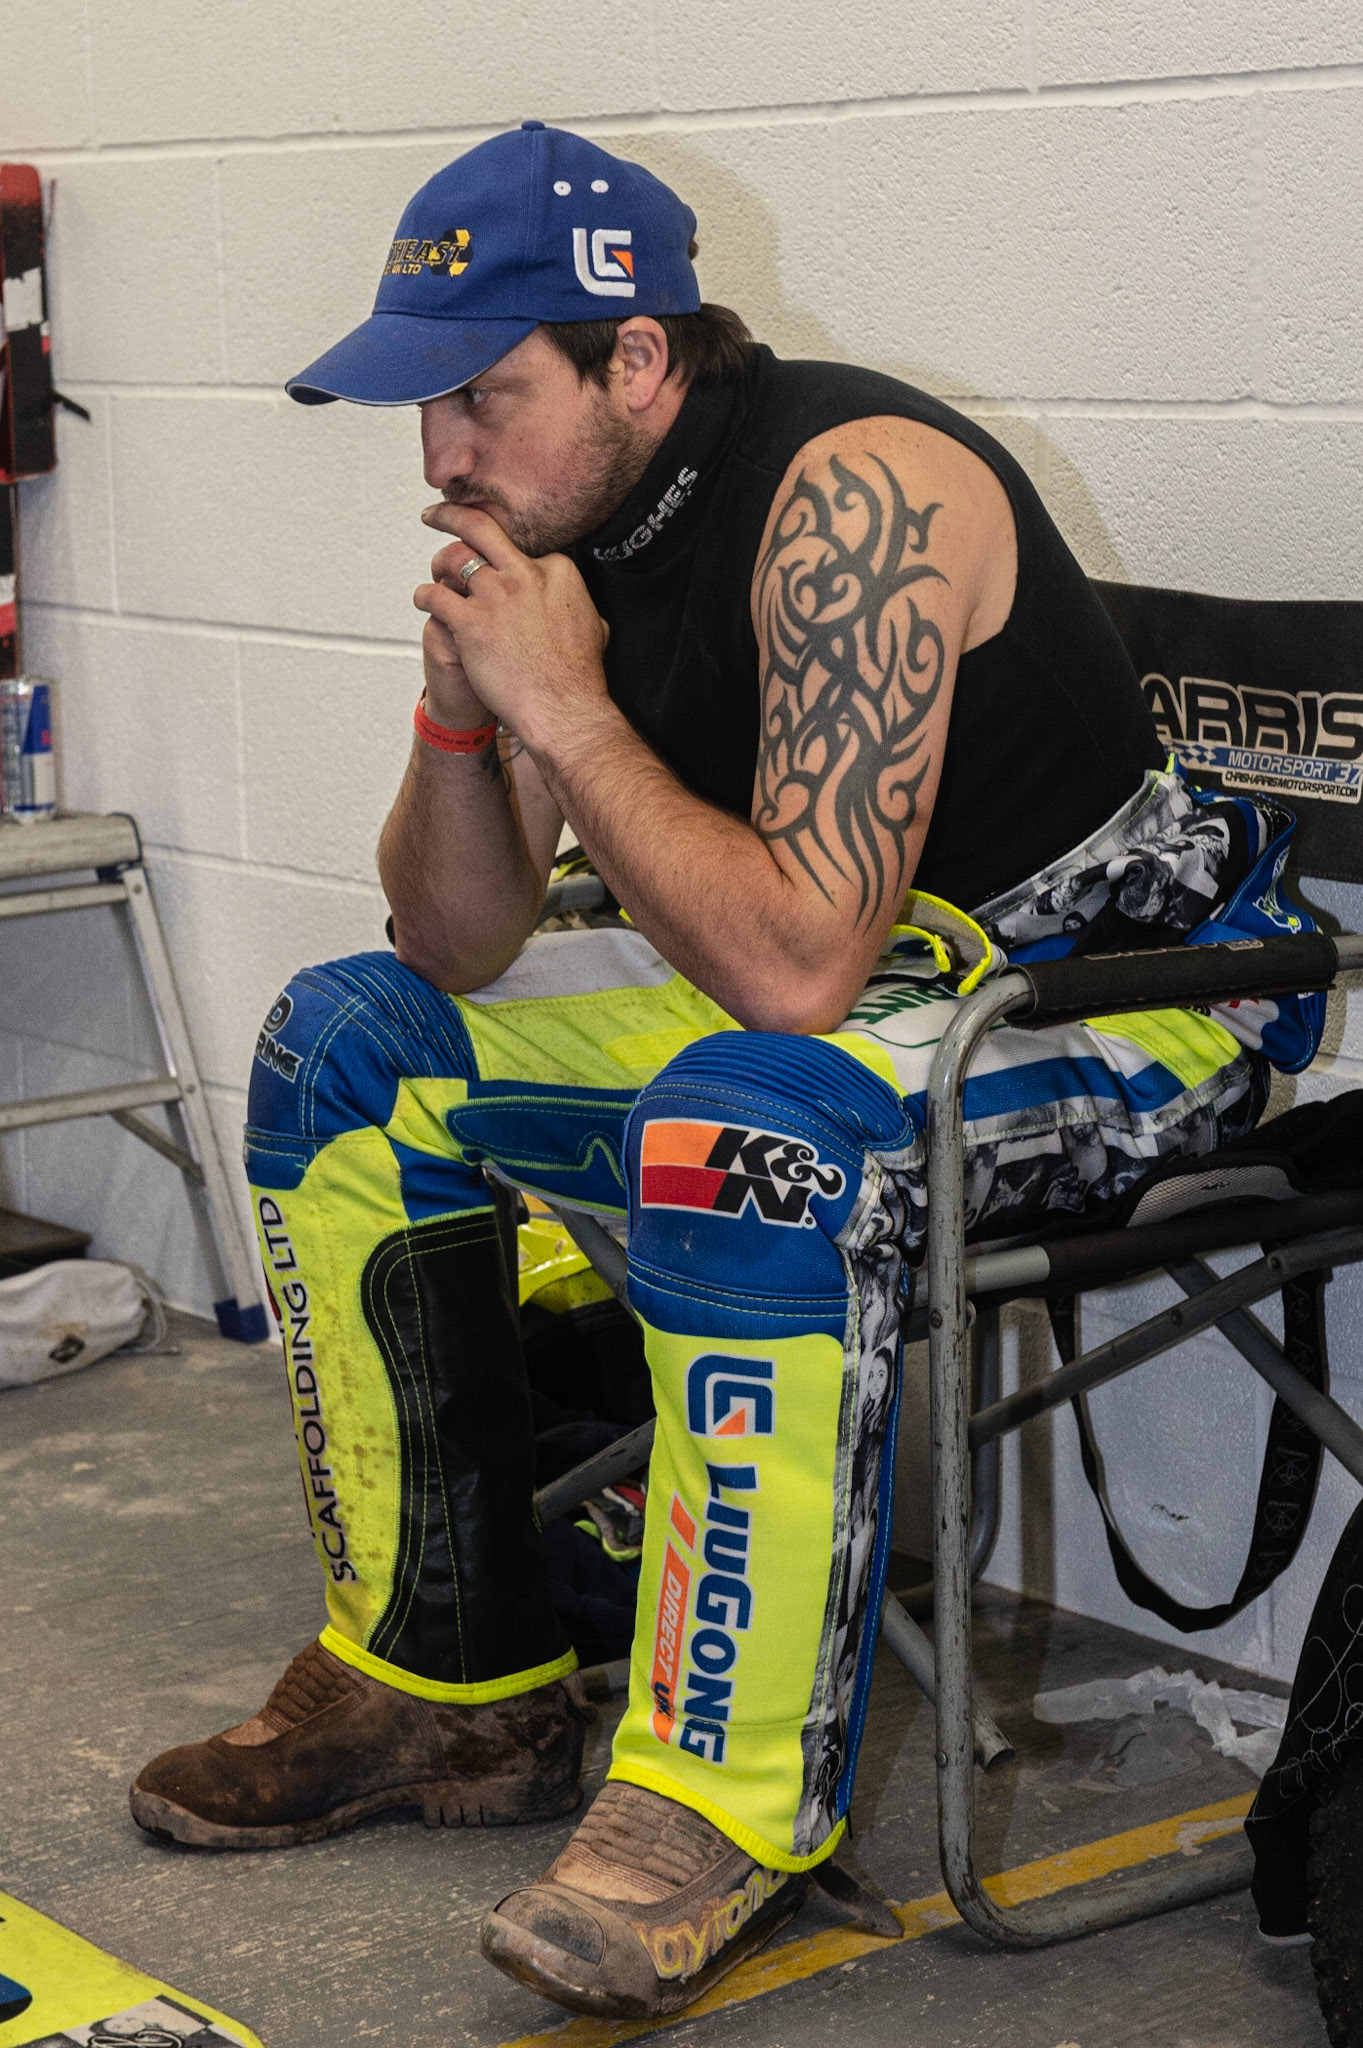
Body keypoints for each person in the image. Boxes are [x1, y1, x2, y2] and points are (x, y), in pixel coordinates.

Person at [129, 122, 1321, 2021]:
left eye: (481, 396)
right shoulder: (557, 526)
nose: (439, 455)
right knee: (350, 1046)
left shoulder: (861, 492)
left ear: (640, 359)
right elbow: (451, 945)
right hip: (859, 1006)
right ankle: (448, 1681)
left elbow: (787, 961)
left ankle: (719, 1806)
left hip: (1121, 1007)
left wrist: (572, 707)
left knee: (739, 1135)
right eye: (421, 407)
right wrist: (468, 707)